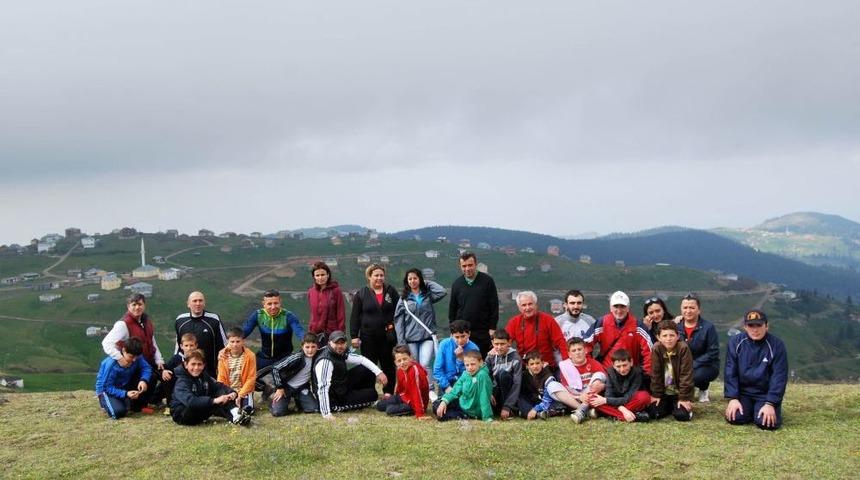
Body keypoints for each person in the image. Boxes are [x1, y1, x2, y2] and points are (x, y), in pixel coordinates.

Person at [724, 310, 788, 431]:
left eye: (759, 325)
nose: (755, 329)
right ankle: (751, 410)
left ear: (766, 326)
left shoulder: (777, 345)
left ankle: (763, 409)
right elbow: (730, 371)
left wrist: (770, 403)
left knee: (766, 424)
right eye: (751, 326)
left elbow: (779, 376)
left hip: (765, 393)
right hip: (743, 393)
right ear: (745, 327)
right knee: (735, 418)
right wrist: (733, 398)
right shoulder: (736, 342)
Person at [102, 293, 166, 407]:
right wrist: (120, 358)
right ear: (128, 306)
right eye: (134, 304)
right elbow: (106, 343)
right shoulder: (123, 324)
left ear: (144, 305)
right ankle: (140, 403)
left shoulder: (146, 321)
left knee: (168, 373)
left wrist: (159, 359)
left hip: (148, 361)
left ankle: (155, 399)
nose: (137, 307)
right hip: (135, 364)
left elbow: (152, 341)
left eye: (140, 304)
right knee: (149, 379)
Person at [312, 331, 389, 419]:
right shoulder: (326, 361)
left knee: (365, 368)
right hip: (335, 400)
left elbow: (361, 359)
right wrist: (326, 414)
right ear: (329, 343)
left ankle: (362, 394)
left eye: (342, 343)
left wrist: (379, 372)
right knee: (373, 395)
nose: (340, 346)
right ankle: (368, 397)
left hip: (340, 386)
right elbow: (323, 388)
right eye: (336, 343)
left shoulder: (339, 352)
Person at [349, 263, 399, 396]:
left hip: (387, 336)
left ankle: (388, 392)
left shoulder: (391, 291)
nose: (379, 278)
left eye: (381, 275)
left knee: (388, 364)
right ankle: (369, 393)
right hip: (368, 337)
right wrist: (354, 335)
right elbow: (355, 316)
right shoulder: (361, 294)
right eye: (376, 275)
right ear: (369, 277)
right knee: (369, 364)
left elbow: (399, 311)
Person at [242, 289, 305, 392]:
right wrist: (229, 344)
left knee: (288, 383)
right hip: (265, 357)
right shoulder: (258, 315)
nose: (273, 307)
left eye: (276, 303)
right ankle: (267, 388)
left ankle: (285, 395)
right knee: (246, 377)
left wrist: (306, 342)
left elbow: (300, 332)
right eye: (269, 304)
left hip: (284, 358)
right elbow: (244, 332)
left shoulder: (288, 316)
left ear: (280, 302)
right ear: (263, 304)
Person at [171, 349, 250, 426]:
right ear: (186, 365)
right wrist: (214, 400)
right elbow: (191, 401)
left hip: (200, 410)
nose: (196, 368)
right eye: (193, 364)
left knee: (221, 394)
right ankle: (235, 413)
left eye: (199, 364)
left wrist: (232, 392)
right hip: (183, 414)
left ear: (203, 365)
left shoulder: (204, 376)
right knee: (213, 402)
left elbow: (218, 386)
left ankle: (237, 415)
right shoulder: (181, 381)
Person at [585, 291, 652, 377]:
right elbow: (585, 344)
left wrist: (645, 374)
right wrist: (591, 367)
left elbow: (649, 352)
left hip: (631, 374)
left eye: (622, 306)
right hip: (606, 373)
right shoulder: (601, 323)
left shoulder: (638, 326)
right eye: (616, 306)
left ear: (628, 308)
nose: (619, 310)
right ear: (610, 308)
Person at [394, 268, 447, 378]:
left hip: (427, 336)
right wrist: (401, 342)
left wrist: (427, 283)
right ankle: (417, 391)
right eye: (410, 279)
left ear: (420, 279)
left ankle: (429, 390)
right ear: (407, 281)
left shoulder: (427, 296)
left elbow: (442, 291)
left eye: (415, 278)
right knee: (413, 365)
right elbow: (399, 321)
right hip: (410, 338)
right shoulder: (403, 299)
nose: (412, 281)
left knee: (425, 365)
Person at [448, 252, 499, 357]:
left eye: (470, 265)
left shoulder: (487, 281)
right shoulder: (457, 284)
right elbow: (452, 308)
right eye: (464, 266)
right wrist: (452, 330)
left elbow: (494, 305)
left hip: (483, 331)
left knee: (483, 361)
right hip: (463, 333)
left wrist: (492, 327)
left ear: (476, 264)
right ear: (460, 266)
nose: (467, 269)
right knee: (465, 363)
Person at [504, 291, 569, 368]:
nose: (527, 308)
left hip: (546, 365)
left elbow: (560, 341)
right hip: (524, 367)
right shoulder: (514, 322)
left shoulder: (548, 320)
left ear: (536, 304)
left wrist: (567, 362)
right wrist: (496, 350)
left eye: (530, 304)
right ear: (519, 308)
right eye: (524, 305)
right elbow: (504, 341)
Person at [675, 293, 720, 402]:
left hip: (706, 365)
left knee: (695, 376)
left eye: (692, 308)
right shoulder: (676, 326)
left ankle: (703, 389)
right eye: (685, 308)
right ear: (681, 310)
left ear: (699, 310)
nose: (688, 311)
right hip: (683, 364)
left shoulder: (708, 327)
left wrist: (693, 364)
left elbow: (713, 353)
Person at [95, 337, 152, 419]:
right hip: (107, 391)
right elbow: (106, 387)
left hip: (124, 385)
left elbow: (146, 368)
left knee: (151, 376)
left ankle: (132, 403)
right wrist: (125, 394)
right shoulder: (112, 364)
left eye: (136, 357)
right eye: (131, 356)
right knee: (119, 412)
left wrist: (143, 380)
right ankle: (103, 401)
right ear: (124, 350)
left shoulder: (135, 356)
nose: (134, 360)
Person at [517, 351, 583, 420]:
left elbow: (547, 398)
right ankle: (533, 413)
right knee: (520, 398)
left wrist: (536, 409)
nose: (535, 366)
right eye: (532, 364)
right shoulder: (524, 375)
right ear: (527, 366)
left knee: (556, 404)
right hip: (536, 400)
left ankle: (541, 413)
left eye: (537, 363)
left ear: (542, 363)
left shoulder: (547, 375)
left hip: (548, 400)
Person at [589, 349, 652, 422]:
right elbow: (609, 395)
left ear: (631, 362)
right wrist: (623, 410)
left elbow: (628, 398)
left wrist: (605, 400)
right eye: (618, 366)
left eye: (625, 365)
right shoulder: (610, 372)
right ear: (613, 365)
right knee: (591, 398)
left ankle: (609, 414)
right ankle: (633, 417)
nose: (622, 369)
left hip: (630, 401)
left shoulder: (637, 373)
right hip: (615, 402)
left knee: (644, 396)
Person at [174, 291, 227, 378]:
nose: (198, 304)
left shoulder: (214, 319)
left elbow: (224, 346)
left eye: (200, 301)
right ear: (188, 304)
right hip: (187, 371)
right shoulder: (180, 320)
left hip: (210, 372)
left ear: (204, 303)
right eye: (194, 301)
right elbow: (178, 347)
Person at [649, 320, 694, 421]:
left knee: (682, 416)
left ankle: (681, 407)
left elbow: (686, 375)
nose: (668, 339)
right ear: (658, 337)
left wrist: (684, 398)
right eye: (664, 336)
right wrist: (656, 395)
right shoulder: (657, 348)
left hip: (679, 392)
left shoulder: (683, 348)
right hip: (664, 392)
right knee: (653, 413)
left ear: (677, 336)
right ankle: (670, 406)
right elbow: (656, 374)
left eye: (671, 335)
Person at [433, 350, 494, 422]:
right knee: (437, 405)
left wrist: (487, 418)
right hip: (463, 405)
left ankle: (463, 416)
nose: (470, 368)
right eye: (467, 365)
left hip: (474, 410)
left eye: (473, 364)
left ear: (480, 362)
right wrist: (444, 402)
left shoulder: (482, 375)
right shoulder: (465, 374)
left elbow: (484, 397)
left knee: (442, 415)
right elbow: (455, 390)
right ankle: (456, 414)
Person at [270, 333, 322, 416]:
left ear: (317, 347)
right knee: (277, 412)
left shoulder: (319, 356)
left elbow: (330, 348)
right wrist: (280, 388)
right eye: (307, 347)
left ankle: (299, 402)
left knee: (313, 409)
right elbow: (275, 368)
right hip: (286, 387)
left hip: (302, 388)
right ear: (302, 347)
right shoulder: (297, 357)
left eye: (313, 347)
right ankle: (278, 403)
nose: (310, 350)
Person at [559, 337, 607, 424]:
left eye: (579, 349)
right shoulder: (566, 367)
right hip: (577, 398)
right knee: (554, 386)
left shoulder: (594, 363)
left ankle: (581, 411)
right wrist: (579, 396)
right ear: (569, 354)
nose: (577, 353)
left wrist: (602, 386)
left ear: (585, 350)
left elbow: (606, 381)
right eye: (574, 351)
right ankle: (587, 410)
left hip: (593, 395)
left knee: (598, 375)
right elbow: (567, 390)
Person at [376, 345, 431, 418]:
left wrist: (420, 414)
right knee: (380, 405)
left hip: (414, 403)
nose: (402, 363)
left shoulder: (414, 370)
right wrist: (394, 398)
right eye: (399, 361)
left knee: (389, 410)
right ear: (395, 362)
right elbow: (400, 387)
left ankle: (410, 410)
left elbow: (416, 392)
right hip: (404, 397)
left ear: (410, 358)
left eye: (405, 359)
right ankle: (395, 404)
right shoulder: (400, 370)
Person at [217, 327, 257, 417]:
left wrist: (240, 395)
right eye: (232, 342)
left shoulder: (250, 356)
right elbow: (221, 378)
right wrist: (227, 393)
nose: (235, 345)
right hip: (230, 390)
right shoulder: (223, 357)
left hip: (244, 390)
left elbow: (251, 378)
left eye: (238, 341)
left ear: (243, 341)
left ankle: (242, 406)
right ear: (228, 342)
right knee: (224, 407)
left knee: (248, 410)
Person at [433, 320, 480, 394]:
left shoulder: (474, 348)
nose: (460, 340)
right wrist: (447, 387)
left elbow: (472, 372)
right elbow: (437, 370)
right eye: (457, 337)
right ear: (451, 335)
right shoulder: (444, 344)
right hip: (446, 382)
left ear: (469, 334)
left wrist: (460, 360)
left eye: (463, 336)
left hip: (464, 383)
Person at [484, 330, 522, 420]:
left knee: (503, 374)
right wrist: (489, 393)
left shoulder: (516, 358)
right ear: (492, 343)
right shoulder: (490, 356)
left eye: (502, 344)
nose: (499, 347)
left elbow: (517, 383)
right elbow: (486, 377)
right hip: (495, 393)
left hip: (509, 393)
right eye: (496, 344)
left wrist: (507, 406)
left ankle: (509, 408)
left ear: (509, 343)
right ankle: (497, 408)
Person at [553, 290, 597, 363]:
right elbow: (554, 348)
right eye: (572, 303)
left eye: (579, 303)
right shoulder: (557, 322)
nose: (576, 306)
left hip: (586, 364)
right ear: (565, 305)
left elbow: (596, 345)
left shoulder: (591, 321)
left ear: (583, 304)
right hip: (564, 365)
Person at [161, 332, 198, 415]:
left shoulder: (199, 358)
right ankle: (169, 404)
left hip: (193, 384)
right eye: (186, 346)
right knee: (167, 376)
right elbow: (165, 367)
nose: (189, 348)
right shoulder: (176, 358)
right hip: (178, 385)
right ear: (181, 346)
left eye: (191, 345)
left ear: (196, 346)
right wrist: (164, 371)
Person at [307, 261, 346, 339]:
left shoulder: (336, 291)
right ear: (314, 277)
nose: (320, 278)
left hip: (333, 333)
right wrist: (310, 330)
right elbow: (312, 314)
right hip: (315, 333)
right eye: (317, 275)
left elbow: (341, 313)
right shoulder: (311, 292)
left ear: (328, 275)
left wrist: (341, 333)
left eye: (323, 274)